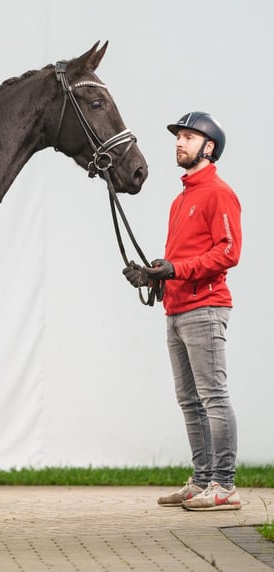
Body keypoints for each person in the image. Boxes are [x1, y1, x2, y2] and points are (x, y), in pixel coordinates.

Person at [123, 111, 242, 511]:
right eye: (179, 137)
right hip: (177, 309)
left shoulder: (217, 193)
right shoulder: (182, 199)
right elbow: (184, 256)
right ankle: (204, 479)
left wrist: (178, 269)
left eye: (189, 137)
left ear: (209, 147)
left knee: (213, 397)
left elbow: (228, 251)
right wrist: (156, 274)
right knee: (190, 401)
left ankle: (224, 485)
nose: (179, 142)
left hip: (205, 309)